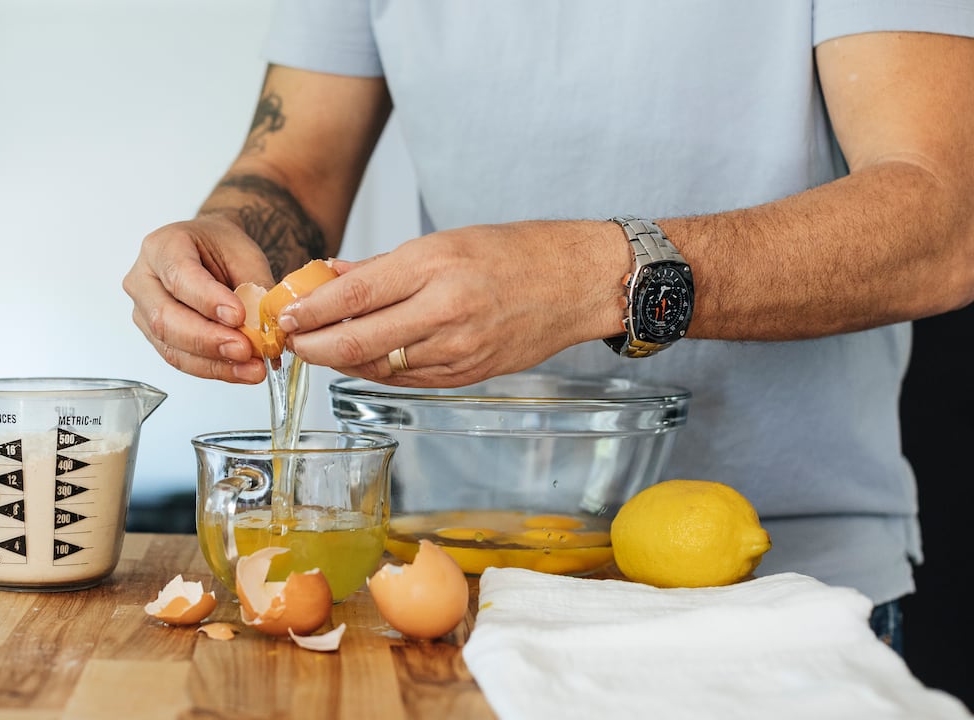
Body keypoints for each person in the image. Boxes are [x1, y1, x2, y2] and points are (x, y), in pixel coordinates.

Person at [123, 1, 974, 651]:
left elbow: (946, 220)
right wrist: (228, 235)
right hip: (460, 577)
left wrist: (597, 276)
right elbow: (291, 167)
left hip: (782, 588)